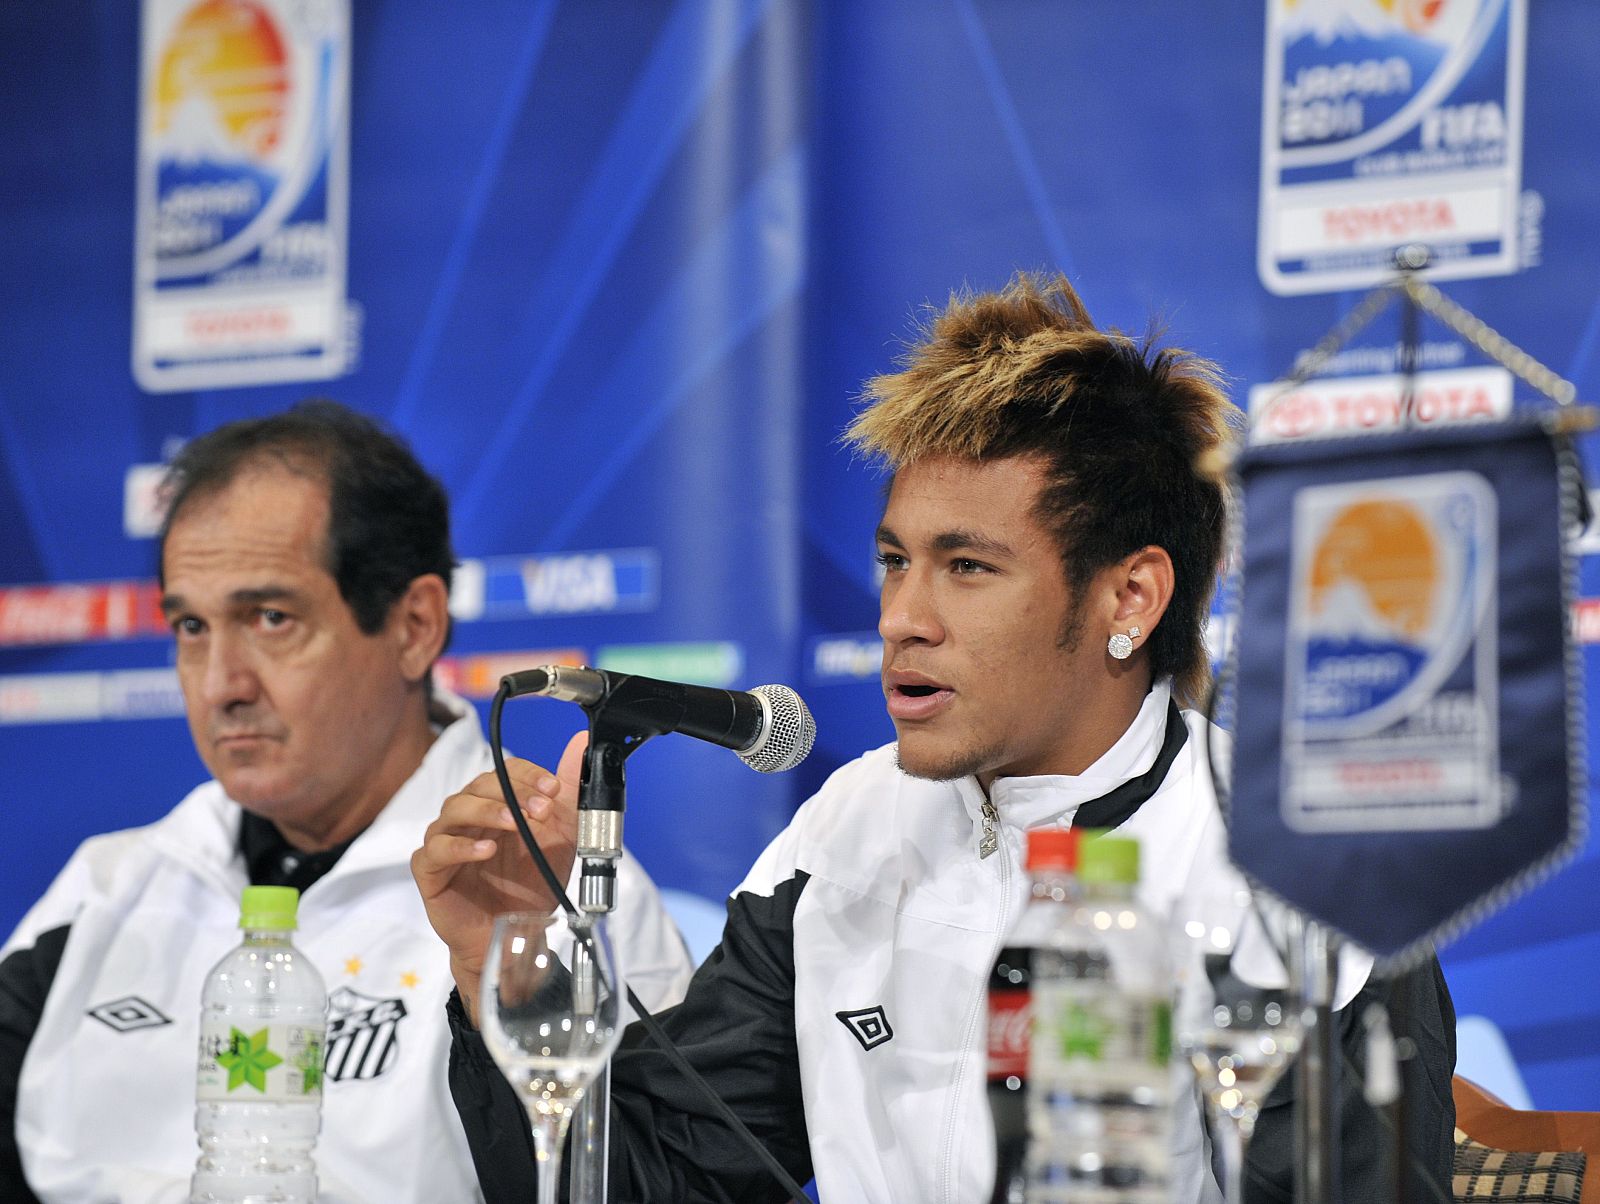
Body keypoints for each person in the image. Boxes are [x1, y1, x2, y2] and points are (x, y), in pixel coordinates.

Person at [415, 275, 1457, 1202]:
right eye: (892, 561)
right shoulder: (842, 833)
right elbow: (661, 1183)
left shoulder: (1302, 884)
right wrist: (513, 979)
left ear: (1128, 596)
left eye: (965, 566)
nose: (900, 616)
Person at [0, 402, 696, 1203]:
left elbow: (642, 1187)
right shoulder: (111, 887)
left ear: (413, 625)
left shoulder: (550, 888)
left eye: (270, 618)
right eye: (191, 626)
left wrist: (506, 990)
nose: (222, 684)